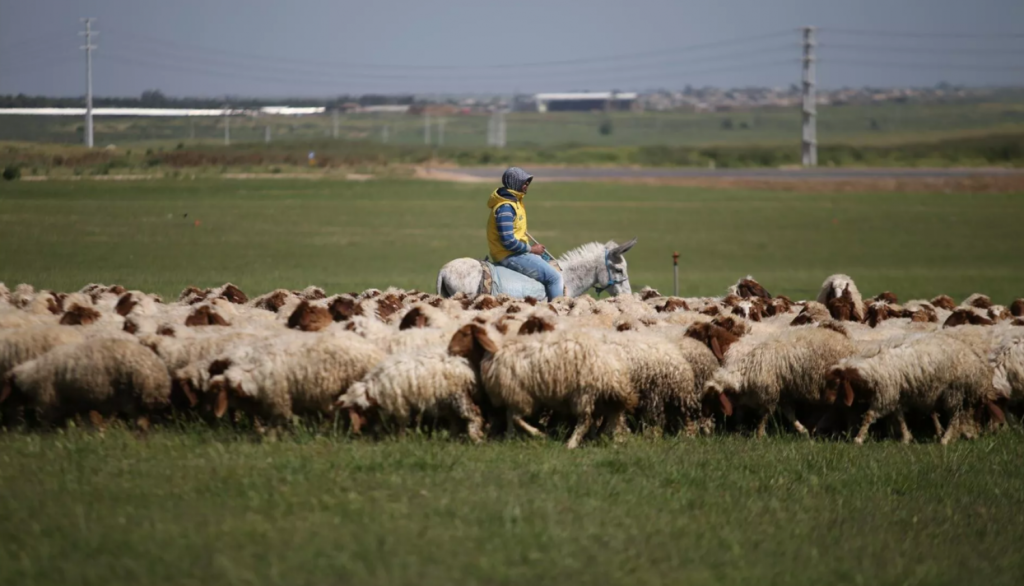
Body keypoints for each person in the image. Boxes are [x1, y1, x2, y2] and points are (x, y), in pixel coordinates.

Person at [486, 167, 564, 301]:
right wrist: (532, 249)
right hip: (509, 254)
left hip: (512, 252)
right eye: (524, 181)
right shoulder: (506, 207)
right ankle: (559, 313)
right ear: (515, 183)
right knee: (554, 278)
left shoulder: (515, 203)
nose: (527, 184)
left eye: (528, 182)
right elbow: (508, 241)